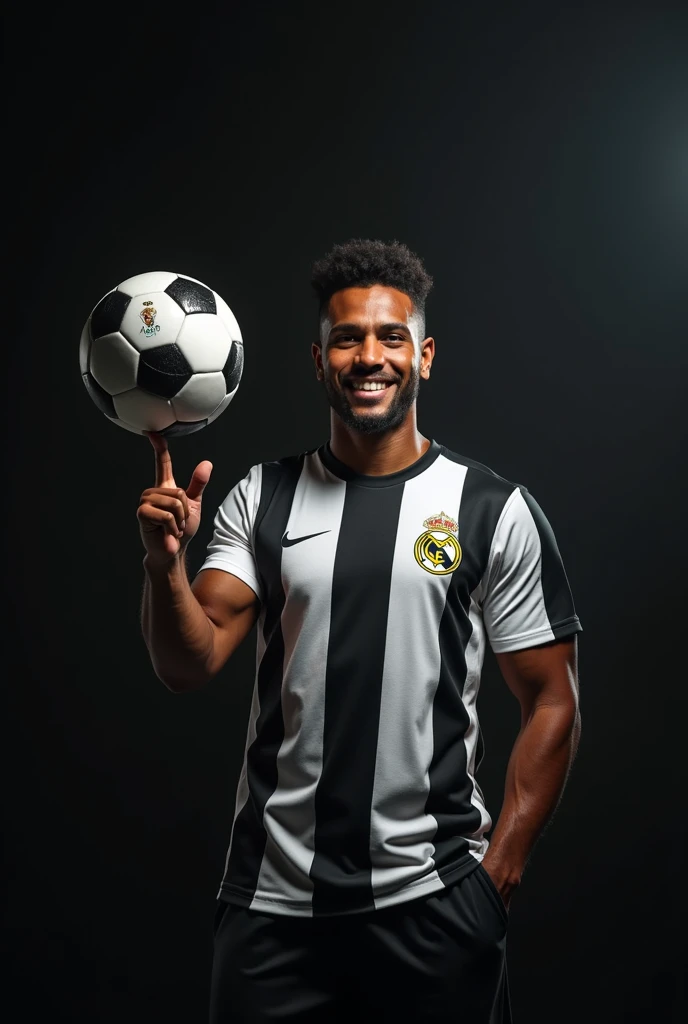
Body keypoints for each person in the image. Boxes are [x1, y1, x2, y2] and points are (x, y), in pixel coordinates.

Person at [138, 239, 582, 1023]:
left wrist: (500, 870)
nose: (368, 356)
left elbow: (553, 699)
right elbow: (189, 660)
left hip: (436, 906)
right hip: (273, 908)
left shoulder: (490, 509)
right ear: (319, 359)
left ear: (425, 355)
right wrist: (165, 566)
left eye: (390, 337)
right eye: (347, 338)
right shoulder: (262, 497)